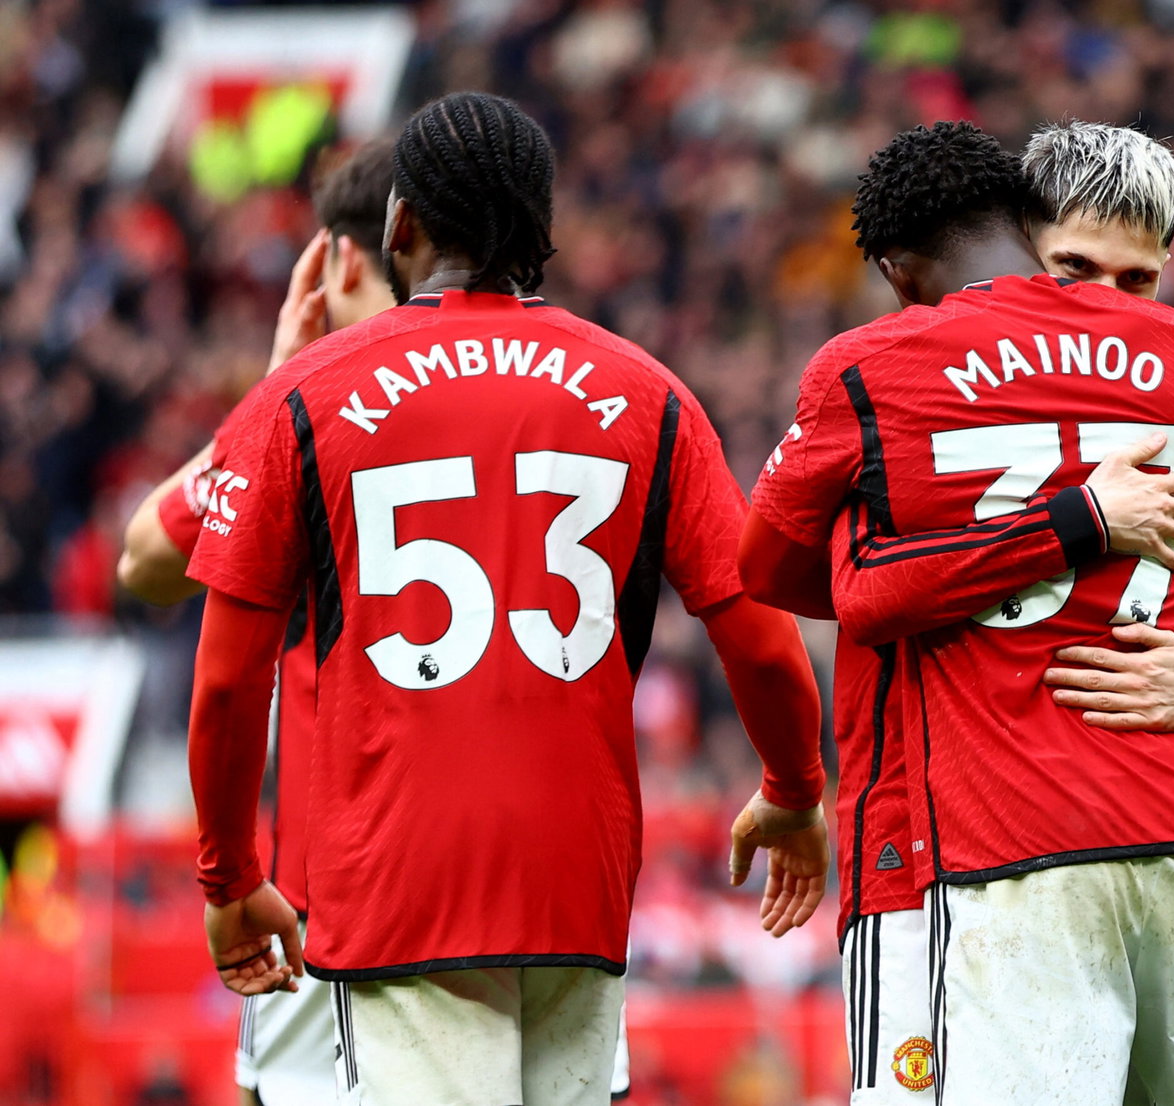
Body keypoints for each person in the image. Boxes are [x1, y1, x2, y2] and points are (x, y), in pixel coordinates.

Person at [184, 92, 827, 1106]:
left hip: (399, 880)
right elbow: (755, 629)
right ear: (543, 233)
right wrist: (793, 785)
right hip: (578, 875)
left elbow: (226, 680)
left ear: (397, 225)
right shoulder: (648, 390)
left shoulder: (305, 394)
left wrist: (229, 878)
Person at [744, 120, 1174, 1104]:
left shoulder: (880, 371)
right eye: (1076, 267)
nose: (1099, 306)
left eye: (1137, 282)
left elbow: (834, 586)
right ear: (1021, 232)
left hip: (988, 849)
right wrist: (1083, 521)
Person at [119, 141, 394, 1106]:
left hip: (332, 906)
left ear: (336, 260)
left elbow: (145, 561)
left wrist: (273, 382)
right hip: (533, 899)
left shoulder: (305, 414)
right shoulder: (563, 392)